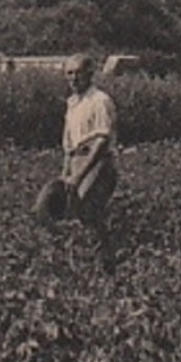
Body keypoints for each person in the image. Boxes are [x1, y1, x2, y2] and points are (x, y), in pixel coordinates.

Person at [59, 54, 118, 271]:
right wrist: (66, 173)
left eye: (78, 73)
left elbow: (101, 141)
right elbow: (69, 146)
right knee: (72, 211)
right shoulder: (72, 103)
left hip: (97, 162)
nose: (74, 78)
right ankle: (85, 262)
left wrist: (79, 175)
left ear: (90, 74)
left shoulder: (99, 100)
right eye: (69, 73)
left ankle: (106, 264)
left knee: (88, 209)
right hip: (77, 160)